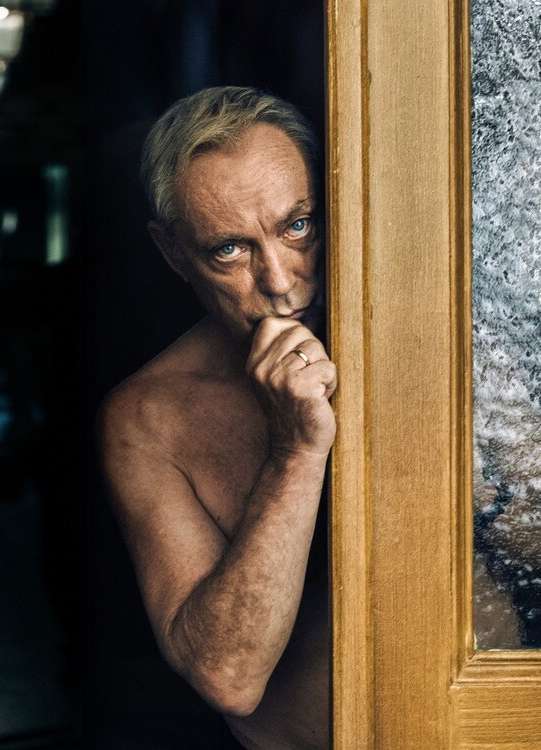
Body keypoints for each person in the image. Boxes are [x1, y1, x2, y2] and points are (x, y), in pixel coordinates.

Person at [99, 86, 333, 750]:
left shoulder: (433, 336)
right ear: (174, 254)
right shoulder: (146, 419)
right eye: (230, 249)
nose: (280, 281)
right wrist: (295, 452)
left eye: (297, 226)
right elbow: (228, 677)